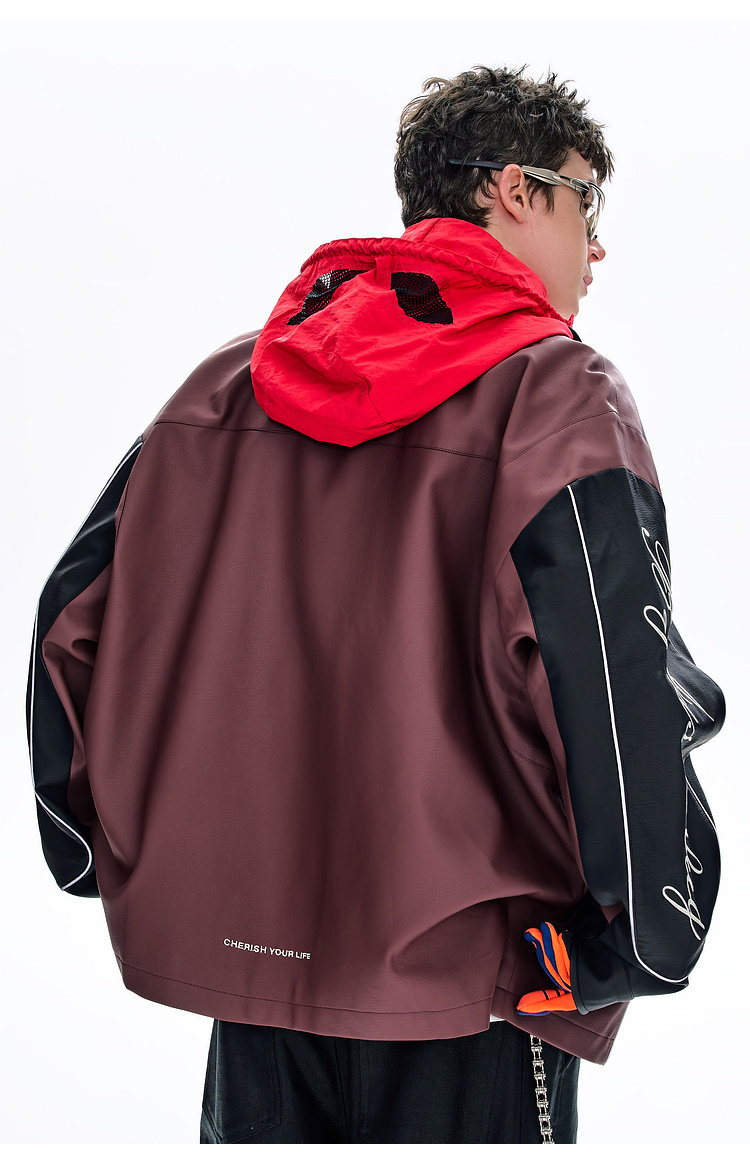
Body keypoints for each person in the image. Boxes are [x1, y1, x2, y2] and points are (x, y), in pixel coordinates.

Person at [25, 63, 725, 1145]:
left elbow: (73, 622)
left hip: (256, 987)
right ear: (514, 190)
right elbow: (613, 676)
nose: (598, 249)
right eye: (587, 204)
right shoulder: (556, 396)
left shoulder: (228, 387)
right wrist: (642, 939)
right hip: (482, 989)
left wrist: (90, 848)